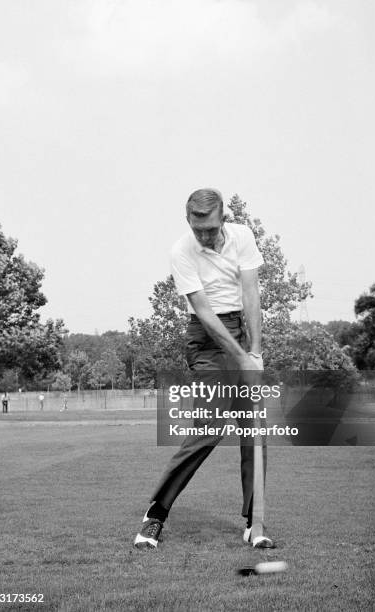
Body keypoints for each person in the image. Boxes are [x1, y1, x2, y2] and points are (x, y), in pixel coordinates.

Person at [134, 188, 274, 550]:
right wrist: (242, 358)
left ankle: (254, 523)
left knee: (254, 429)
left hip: (239, 332)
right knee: (209, 428)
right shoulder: (181, 252)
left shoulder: (242, 236)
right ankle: (155, 516)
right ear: (188, 222)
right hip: (207, 341)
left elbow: (251, 294)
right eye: (199, 230)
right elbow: (205, 313)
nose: (206, 237)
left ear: (223, 217)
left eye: (211, 229)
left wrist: (254, 351)